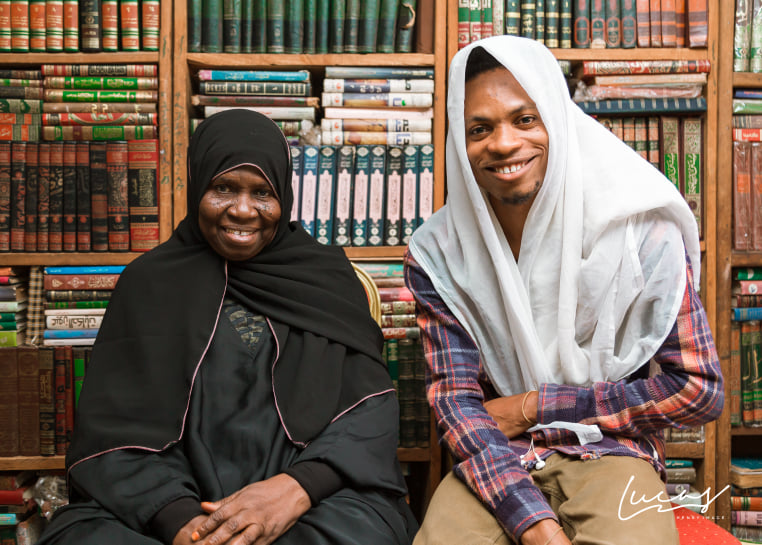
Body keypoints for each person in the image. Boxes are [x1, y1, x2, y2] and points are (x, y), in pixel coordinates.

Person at [36, 109, 418, 545]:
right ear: (198, 185)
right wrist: (184, 524)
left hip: (305, 499)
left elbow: (369, 411)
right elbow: (111, 432)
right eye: (223, 188)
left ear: (284, 196)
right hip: (166, 506)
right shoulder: (149, 284)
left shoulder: (327, 281)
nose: (243, 210)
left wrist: (295, 489)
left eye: (262, 193)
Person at [404, 36, 724, 545]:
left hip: (612, 450)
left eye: (525, 120)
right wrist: (533, 522)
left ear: (558, 119)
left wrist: (536, 406)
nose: (503, 143)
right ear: (458, 143)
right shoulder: (439, 254)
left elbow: (698, 391)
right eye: (479, 129)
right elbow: (458, 404)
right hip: (496, 456)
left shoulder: (640, 231)